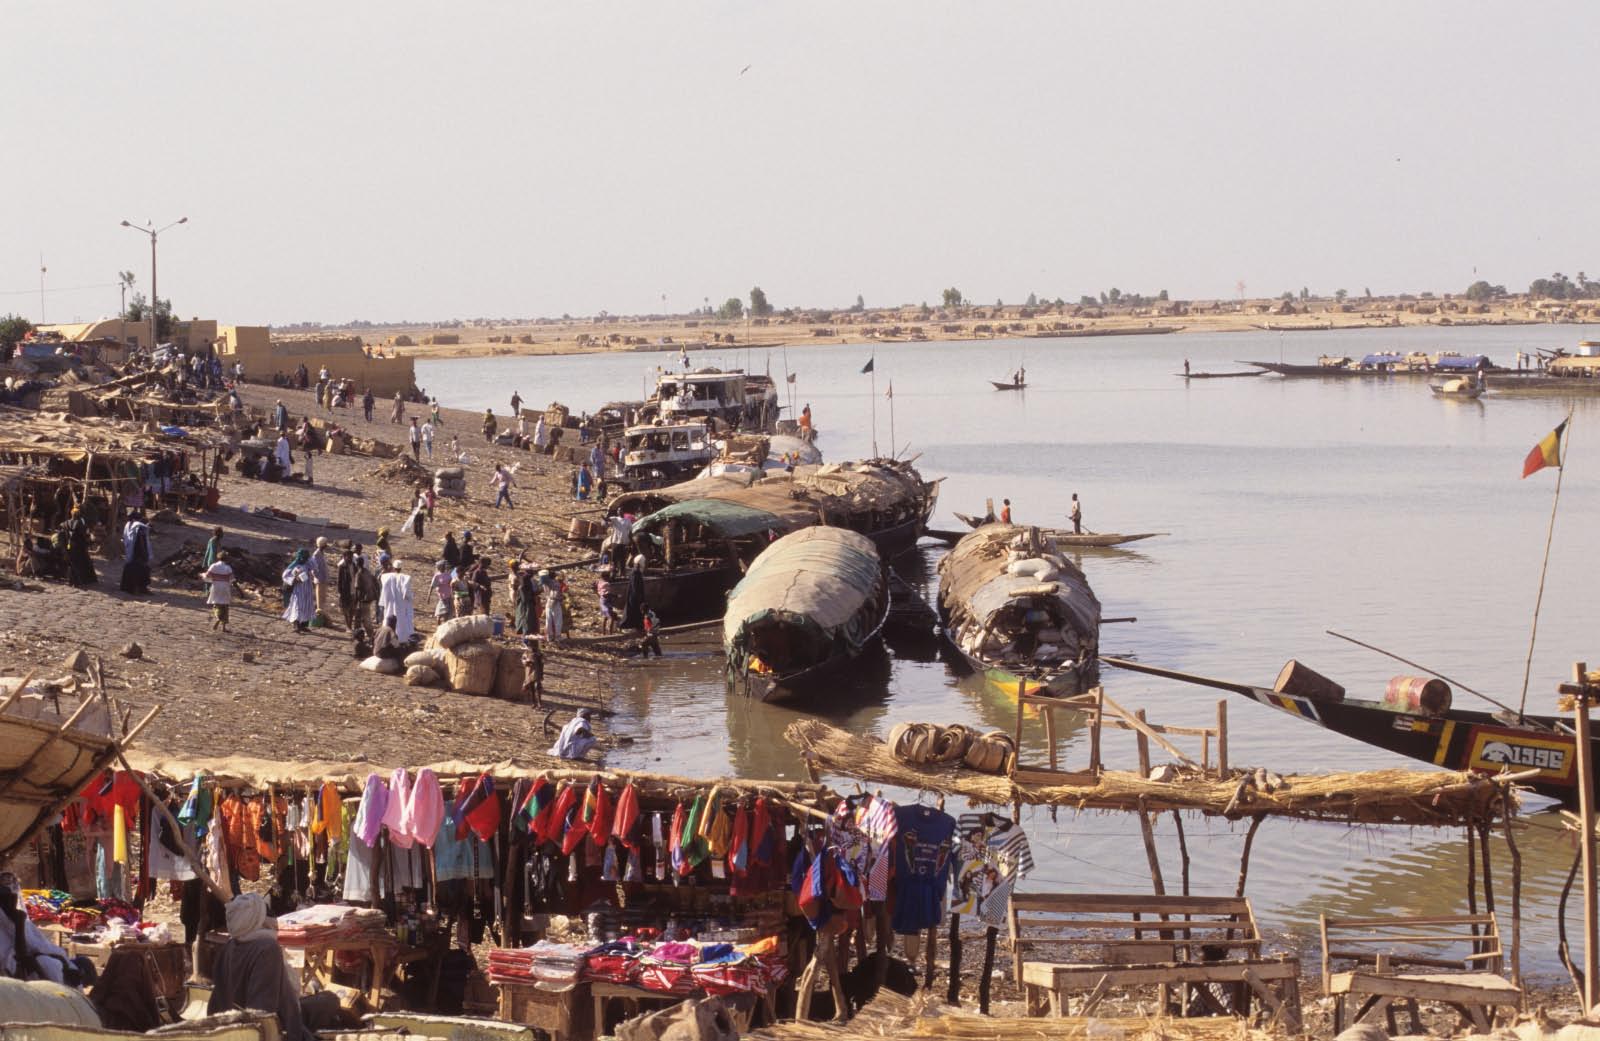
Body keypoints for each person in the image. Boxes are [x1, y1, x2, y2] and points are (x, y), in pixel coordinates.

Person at [208, 893, 311, 1041]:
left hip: (229, 1026)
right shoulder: (267, 948)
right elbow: (262, 1012)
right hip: (262, 1030)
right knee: (327, 1002)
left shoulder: (229, 946)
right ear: (256, 919)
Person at [378, 559, 416, 642]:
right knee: (401, 620)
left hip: (390, 603)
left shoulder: (386, 577)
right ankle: (401, 639)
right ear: (401, 568)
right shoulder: (405, 578)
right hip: (401, 605)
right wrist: (411, 596)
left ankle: (386, 637)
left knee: (388, 616)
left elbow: (381, 581)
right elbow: (407, 594)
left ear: (393, 568)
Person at [282, 550, 317, 633]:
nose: (305, 559)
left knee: (307, 606)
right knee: (297, 606)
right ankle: (296, 625)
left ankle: (303, 625)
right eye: (304, 558)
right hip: (298, 589)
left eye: (306, 558)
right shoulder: (295, 565)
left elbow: (315, 566)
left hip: (307, 588)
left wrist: (310, 558)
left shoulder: (307, 564)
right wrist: (295, 579)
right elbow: (285, 576)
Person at [120, 510, 152, 595]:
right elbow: (140, 541)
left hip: (132, 551)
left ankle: (140, 588)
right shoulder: (138, 526)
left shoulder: (128, 525)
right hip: (138, 552)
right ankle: (136, 588)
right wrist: (144, 553)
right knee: (138, 570)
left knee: (135, 569)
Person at [202, 549, 235, 632]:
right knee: (225, 606)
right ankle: (223, 627)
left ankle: (218, 618)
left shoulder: (214, 566)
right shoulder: (228, 568)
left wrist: (202, 575)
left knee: (217, 604)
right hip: (225, 588)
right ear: (227, 559)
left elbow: (206, 576)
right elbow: (232, 579)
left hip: (216, 587)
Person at [336, 546, 360, 630]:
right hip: (345, 591)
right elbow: (339, 581)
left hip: (353, 590)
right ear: (344, 557)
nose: (350, 558)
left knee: (352, 609)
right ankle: (348, 626)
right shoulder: (342, 567)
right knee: (346, 609)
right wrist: (339, 592)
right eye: (348, 556)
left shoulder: (354, 565)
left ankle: (350, 624)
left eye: (351, 556)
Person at [513, 564, 539, 636]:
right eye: (531, 572)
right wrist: (530, 598)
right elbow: (524, 595)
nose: (532, 574)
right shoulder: (524, 583)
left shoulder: (526, 581)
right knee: (526, 617)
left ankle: (525, 630)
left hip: (527, 601)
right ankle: (525, 631)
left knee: (526, 617)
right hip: (526, 602)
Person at [308, 537, 331, 617]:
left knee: (323, 597)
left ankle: (322, 613)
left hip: (323, 579)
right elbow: (313, 569)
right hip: (320, 580)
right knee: (320, 598)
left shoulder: (321, 553)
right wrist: (318, 577)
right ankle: (319, 614)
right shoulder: (316, 555)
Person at [621, 554, 645, 630]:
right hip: (635, 596)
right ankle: (634, 626)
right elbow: (635, 587)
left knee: (634, 611)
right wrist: (639, 597)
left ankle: (637, 626)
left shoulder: (636, 572)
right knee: (634, 611)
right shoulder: (635, 573)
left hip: (635, 596)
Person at [539, 569, 564, 642]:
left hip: (548, 602)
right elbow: (556, 594)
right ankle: (557, 636)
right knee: (558, 620)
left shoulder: (545, 583)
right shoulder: (555, 583)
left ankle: (549, 636)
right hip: (555, 602)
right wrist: (561, 598)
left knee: (548, 620)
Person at [520, 637, 544, 706]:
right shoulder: (527, 653)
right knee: (531, 687)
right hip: (529, 671)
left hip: (537, 671)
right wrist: (526, 662)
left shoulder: (539, 654)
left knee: (537, 686)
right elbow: (523, 660)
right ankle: (533, 702)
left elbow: (542, 662)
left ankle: (539, 702)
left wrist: (541, 672)